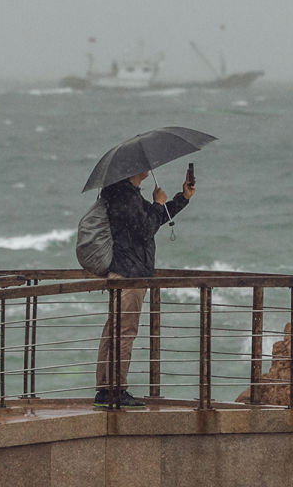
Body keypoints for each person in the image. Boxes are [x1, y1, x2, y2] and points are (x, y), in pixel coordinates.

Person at [94, 166, 196, 408]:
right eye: (143, 165)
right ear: (132, 168)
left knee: (114, 332)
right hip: (130, 276)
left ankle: (105, 391)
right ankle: (115, 391)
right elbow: (145, 229)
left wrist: (182, 198)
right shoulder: (124, 196)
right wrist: (158, 203)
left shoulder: (127, 194)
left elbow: (154, 220)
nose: (149, 168)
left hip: (128, 273)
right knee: (123, 333)